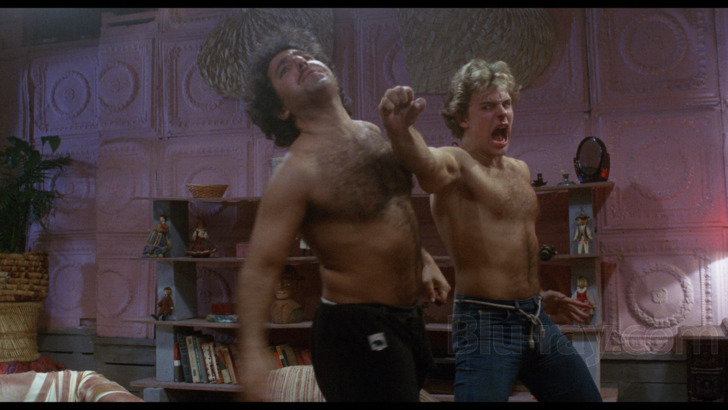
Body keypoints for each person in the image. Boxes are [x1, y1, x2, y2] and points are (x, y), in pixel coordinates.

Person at [236, 26, 451, 402]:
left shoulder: (371, 131)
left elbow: (389, 210)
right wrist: (252, 349)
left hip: (407, 318)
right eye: (285, 68)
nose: (301, 62)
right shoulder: (296, 172)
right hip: (354, 330)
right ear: (281, 109)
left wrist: (423, 257)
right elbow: (260, 268)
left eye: (305, 56)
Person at [379, 58, 602, 402]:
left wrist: (537, 294)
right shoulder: (456, 162)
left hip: (535, 316)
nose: (502, 114)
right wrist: (399, 131)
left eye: (506, 104)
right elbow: (425, 163)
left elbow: (512, 242)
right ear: (463, 118)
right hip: (486, 323)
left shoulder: (519, 170)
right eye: (488, 106)